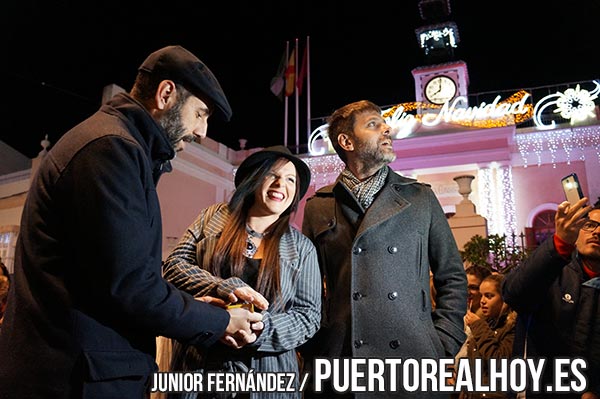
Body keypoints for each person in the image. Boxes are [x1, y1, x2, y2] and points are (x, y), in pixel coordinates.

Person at [0, 45, 263, 399]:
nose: (202, 132)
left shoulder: (122, 147)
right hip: (74, 380)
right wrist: (218, 322)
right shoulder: (110, 149)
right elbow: (131, 286)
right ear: (166, 94)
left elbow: (122, 275)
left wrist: (199, 308)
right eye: (200, 114)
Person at [300, 100, 468, 398]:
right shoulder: (319, 205)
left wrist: (442, 342)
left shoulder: (420, 198)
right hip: (341, 364)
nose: (387, 128)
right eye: (373, 124)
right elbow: (307, 288)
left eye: (384, 123)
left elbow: (452, 277)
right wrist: (315, 344)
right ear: (346, 141)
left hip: (413, 360)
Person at [161, 145, 322, 398]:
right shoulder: (212, 217)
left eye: (291, 179)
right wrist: (223, 287)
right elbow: (174, 267)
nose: (281, 184)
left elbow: (308, 317)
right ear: (255, 178)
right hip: (200, 369)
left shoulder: (302, 248)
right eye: (272, 174)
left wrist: (257, 329)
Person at [502, 199, 599, 399]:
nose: (597, 232)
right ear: (577, 230)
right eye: (590, 225)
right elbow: (514, 293)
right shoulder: (552, 273)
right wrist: (559, 244)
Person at [454, 273, 516, 399]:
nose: (482, 301)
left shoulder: (511, 326)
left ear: (504, 299)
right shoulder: (486, 322)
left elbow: (499, 361)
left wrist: (478, 326)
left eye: (489, 296)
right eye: (482, 295)